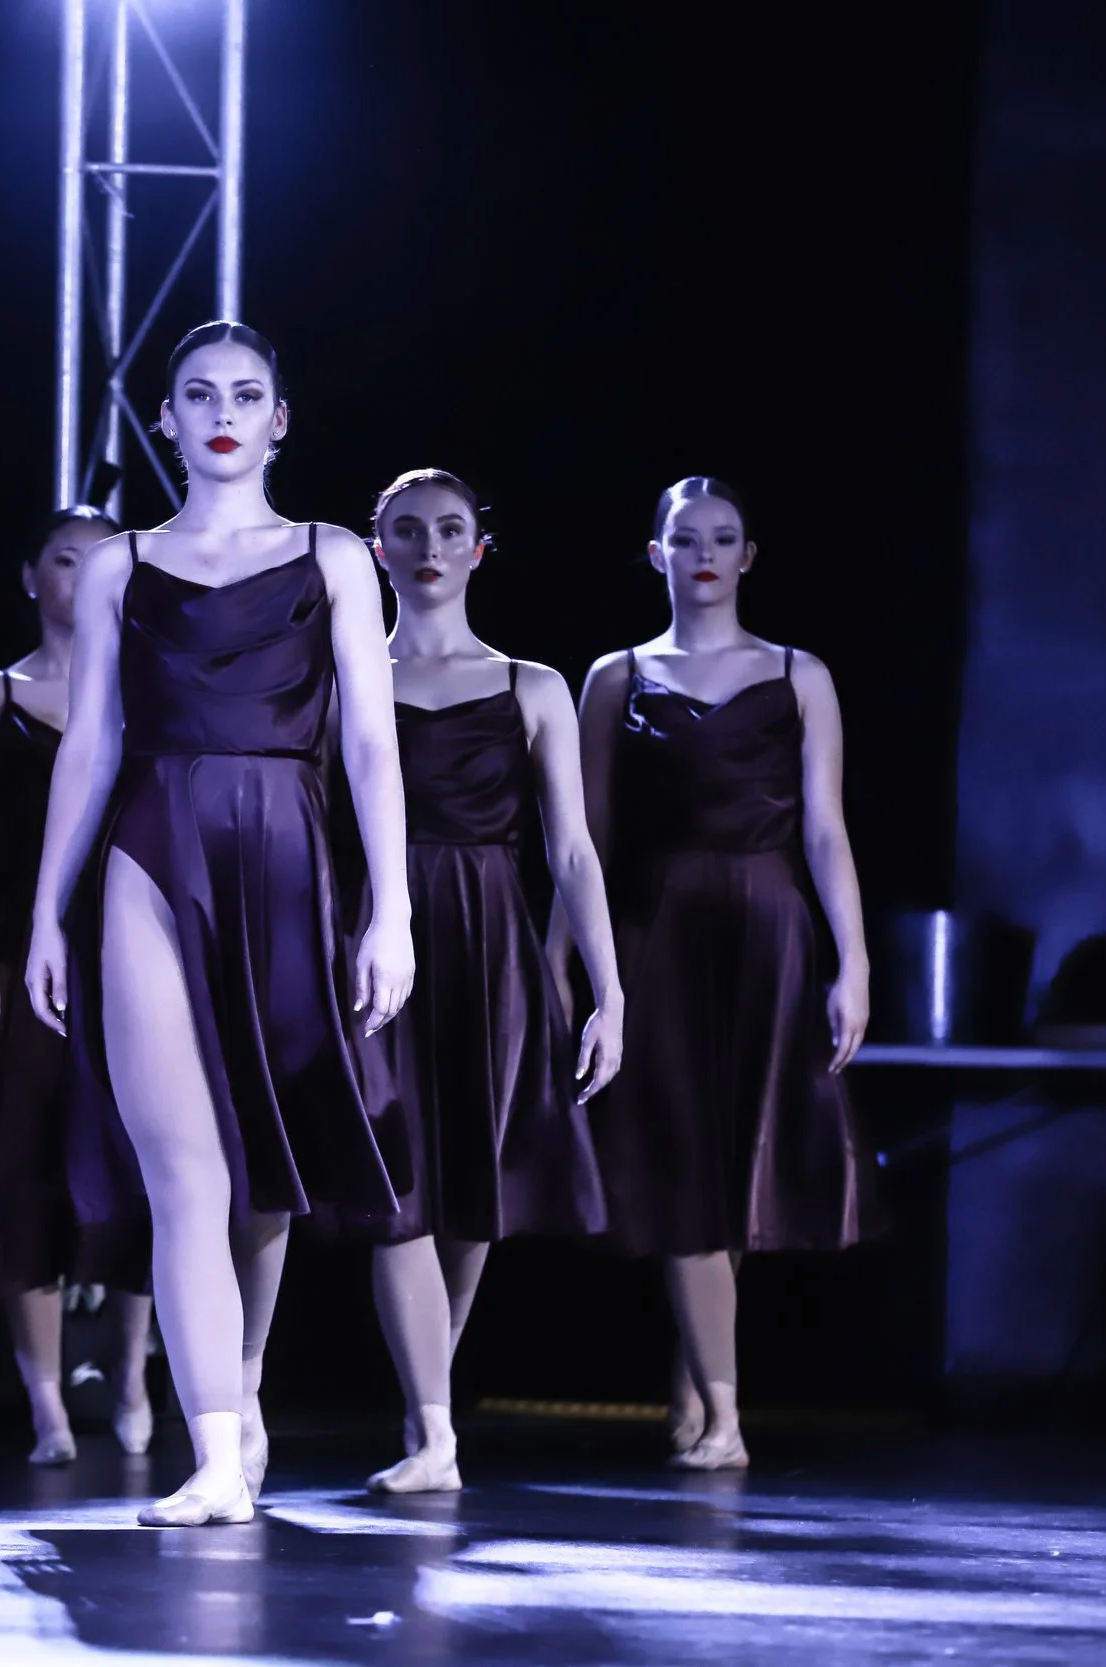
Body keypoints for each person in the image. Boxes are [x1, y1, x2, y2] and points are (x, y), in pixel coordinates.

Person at [26, 321, 414, 1527]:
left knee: (263, 1179)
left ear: (280, 417)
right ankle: (211, 1453)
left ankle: (236, 1399)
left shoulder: (333, 555)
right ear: (167, 419)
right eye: (197, 394)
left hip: (288, 850)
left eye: (246, 393)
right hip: (152, 845)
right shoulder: (118, 564)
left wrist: (390, 902)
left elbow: (367, 738)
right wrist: (44, 909)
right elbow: (87, 741)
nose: (222, 412)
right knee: (184, 1173)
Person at [569, 476, 874, 1472]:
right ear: (654, 554)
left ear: (749, 555)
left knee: (736, 1164)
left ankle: (697, 1386)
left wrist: (852, 959)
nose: (704, 552)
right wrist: (578, 963)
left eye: (724, 537)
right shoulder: (614, 676)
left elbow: (825, 828)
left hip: (772, 928)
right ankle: (726, 1417)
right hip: (658, 928)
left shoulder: (799, 673)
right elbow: (589, 841)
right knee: (683, 1162)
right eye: (683, 537)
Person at [357, 468, 622, 1494]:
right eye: (406, 529)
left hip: (489, 941)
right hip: (382, 937)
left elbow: (573, 852)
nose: (429, 545)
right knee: (398, 1187)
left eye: (450, 528)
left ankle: (430, 1405)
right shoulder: (346, 675)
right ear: (376, 547)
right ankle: (433, 1432)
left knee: (470, 1187)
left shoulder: (532, 684)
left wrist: (608, 989)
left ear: (480, 546)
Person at [0, 506, 154, 1466]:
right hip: (19, 957)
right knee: (23, 1167)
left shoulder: (151, 695)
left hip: (130, 956)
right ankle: (43, 1402)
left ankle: (129, 1369)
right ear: (32, 576)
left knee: (138, 1163)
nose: (83, 578)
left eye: (102, 561)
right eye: (66, 561)